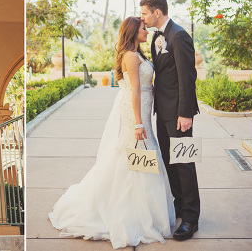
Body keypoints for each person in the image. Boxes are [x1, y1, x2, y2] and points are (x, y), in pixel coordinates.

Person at [49, 17, 175, 249]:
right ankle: (132, 211)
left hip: (143, 110)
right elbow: (136, 89)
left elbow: (147, 88)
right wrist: (138, 124)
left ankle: (146, 209)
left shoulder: (138, 54)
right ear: (132, 31)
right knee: (135, 156)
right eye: (143, 28)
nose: (146, 30)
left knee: (142, 155)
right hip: (135, 113)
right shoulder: (130, 56)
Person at [140, 0, 200, 240]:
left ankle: (190, 219)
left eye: (144, 13)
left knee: (184, 163)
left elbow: (188, 77)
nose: (142, 18)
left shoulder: (179, 35)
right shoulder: (157, 37)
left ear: (157, 12)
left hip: (179, 114)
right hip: (162, 113)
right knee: (168, 159)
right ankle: (178, 205)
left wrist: (186, 113)